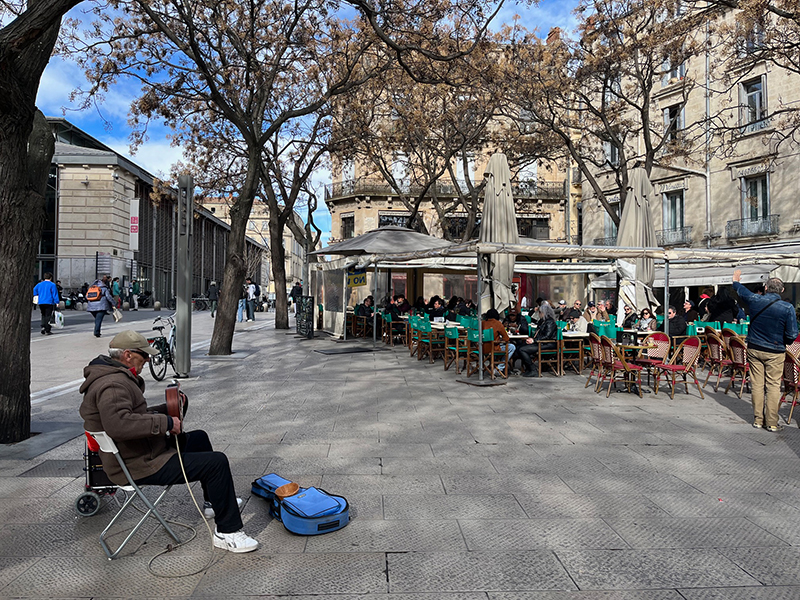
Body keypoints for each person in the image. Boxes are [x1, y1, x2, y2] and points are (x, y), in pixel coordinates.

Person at [79, 330, 258, 553]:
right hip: (138, 464)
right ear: (127, 355)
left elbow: (130, 415)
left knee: (199, 437)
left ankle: (213, 504)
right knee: (216, 463)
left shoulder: (113, 377)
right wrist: (164, 422)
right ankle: (227, 533)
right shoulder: (113, 385)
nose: (147, 360)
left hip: (140, 452)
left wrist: (166, 410)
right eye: (143, 356)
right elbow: (120, 425)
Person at [733, 269, 798, 432]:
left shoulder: (755, 299)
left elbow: (742, 291)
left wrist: (735, 280)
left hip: (755, 348)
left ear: (766, 288)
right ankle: (772, 422)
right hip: (775, 350)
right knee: (773, 385)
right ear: (782, 290)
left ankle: (758, 420)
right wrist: (785, 342)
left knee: (757, 384)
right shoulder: (788, 307)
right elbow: (792, 334)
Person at [516, 301, 557, 377]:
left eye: (540, 312)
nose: (539, 314)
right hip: (541, 342)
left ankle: (532, 369)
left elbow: (547, 336)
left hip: (548, 344)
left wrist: (534, 340)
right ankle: (529, 368)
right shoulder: (542, 321)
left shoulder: (550, 322)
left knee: (522, 349)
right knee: (519, 347)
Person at [481, 308, 515, 375]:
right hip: (493, 348)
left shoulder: (482, 323)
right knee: (511, 347)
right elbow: (506, 339)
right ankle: (499, 368)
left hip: (481, 348)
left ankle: (493, 365)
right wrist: (499, 340)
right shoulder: (498, 324)